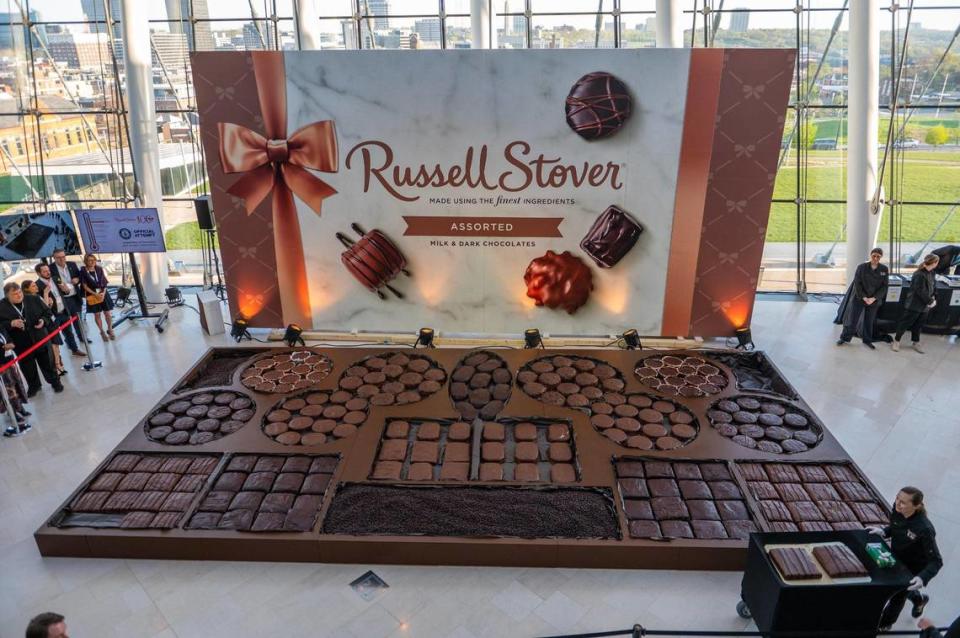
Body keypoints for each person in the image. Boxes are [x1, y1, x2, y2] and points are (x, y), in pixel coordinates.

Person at [870, 487, 943, 629]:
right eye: (897, 498)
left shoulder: (925, 529)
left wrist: (922, 578)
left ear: (915, 506)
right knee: (899, 588)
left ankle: (885, 624)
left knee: (898, 596)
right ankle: (919, 600)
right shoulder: (898, 510)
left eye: (903, 502)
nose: (897, 503)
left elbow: (936, 561)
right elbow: (895, 526)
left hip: (911, 568)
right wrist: (884, 532)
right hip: (895, 557)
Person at [0, 282, 63, 396]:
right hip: (21, 343)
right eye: (15, 294)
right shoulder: (1, 307)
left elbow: (48, 313)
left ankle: (56, 382)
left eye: (20, 292)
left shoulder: (34, 299)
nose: (19, 295)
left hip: (40, 338)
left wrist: (43, 321)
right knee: (27, 367)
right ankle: (34, 386)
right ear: (7, 296)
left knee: (48, 363)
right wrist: (11, 323)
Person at [838, 247, 889, 349]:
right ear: (870, 255)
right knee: (852, 319)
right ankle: (844, 338)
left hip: (874, 300)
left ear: (881, 257)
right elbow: (857, 284)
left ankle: (867, 340)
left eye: (878, 256)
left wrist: (874, 298)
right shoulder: (861, 267)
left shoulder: (884, 269)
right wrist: (864, 297)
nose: (875, 258)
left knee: (869, 321)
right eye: (873, 256)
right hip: (860, 298)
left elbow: (884, 286)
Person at [893, 254, 939, 354]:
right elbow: (920, 291)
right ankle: (896, 341)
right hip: (914, 305)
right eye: (937, 262)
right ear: (935, 263)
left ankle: (915, 342)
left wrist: (934, 296)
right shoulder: (919, 274)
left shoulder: (932, 272)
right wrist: (931, 301)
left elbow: (934, 285)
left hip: (925, 306)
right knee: (905, 323)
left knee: (919, 325)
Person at [36, 263, 72, 376]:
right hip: (52, 316)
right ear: (38, 273)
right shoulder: (37, 285)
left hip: (63, 311)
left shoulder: (56, 278)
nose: (48, 272)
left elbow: (66, 292)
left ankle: (74, 350)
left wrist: (66, 289)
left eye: (48, 270)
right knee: (54, 342)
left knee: (69, 334)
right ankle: (58, 366)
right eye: (45, 271)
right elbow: (40, 305)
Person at [49, 248, 88, 354]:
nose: (62, 259)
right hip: (62, 300)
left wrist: (77, 280)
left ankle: (82, 338)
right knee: (66, 324)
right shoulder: (50, 268)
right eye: (59, 258)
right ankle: (72, 346)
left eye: (63, 257)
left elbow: (79, 276)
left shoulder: (72, 264)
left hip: (74, 296)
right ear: (54, 258)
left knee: (78, 320)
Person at [0, 326, 32, 437]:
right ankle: (12, 412)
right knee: (8, 390)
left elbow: (8, 338)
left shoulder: (1, 328)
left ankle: (20, 407)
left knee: (17, 385)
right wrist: (4, 347)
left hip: (9, 361)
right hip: (1, 366)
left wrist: (10, 344)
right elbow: (4, 345)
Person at [78, 253, 114, 341]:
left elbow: (104, 282)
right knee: (97, 314)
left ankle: (110, 329)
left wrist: (103, 293)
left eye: (94, 260)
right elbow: (85, 286)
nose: (92, 262)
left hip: (102, 293)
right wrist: (95, 294)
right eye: (90, 260)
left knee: (108, 313)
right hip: (92, 295)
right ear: (86, 261)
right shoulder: (83, 271)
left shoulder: (99, 269)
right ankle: (102, 331)